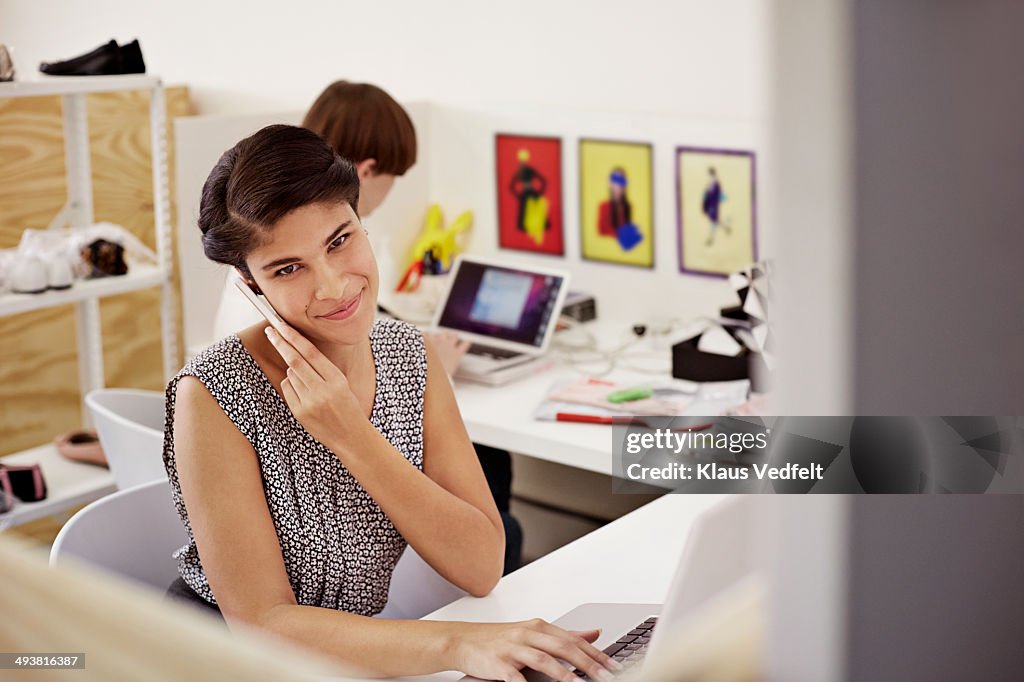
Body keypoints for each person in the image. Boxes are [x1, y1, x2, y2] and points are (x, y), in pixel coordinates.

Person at [163, 125, 620, 681]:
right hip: (229, 664)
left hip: (353, 660)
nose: (332, 286)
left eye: (340, 241)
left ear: (361, 222)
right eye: (288, 268)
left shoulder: (408, 354)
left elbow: (481, 566)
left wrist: (352, 435)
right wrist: (458, 644)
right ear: (249, 283)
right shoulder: (212, 393)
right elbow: (262, 624)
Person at [303, 80, 521, 573]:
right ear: (368, 170)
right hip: (342, 497)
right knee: (498, 503)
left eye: (345, 243)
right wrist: (429, 369)